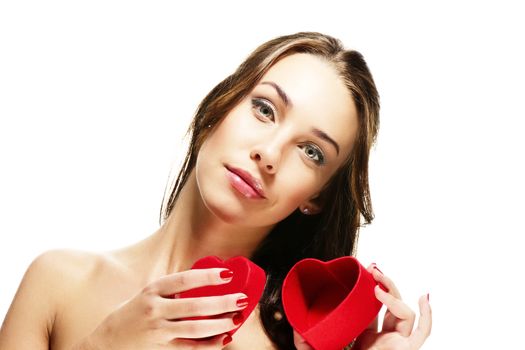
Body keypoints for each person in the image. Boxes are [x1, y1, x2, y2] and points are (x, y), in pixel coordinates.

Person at [0, 32, 432, 349]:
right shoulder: (58, 284)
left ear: (315, 197)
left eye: (311, 151)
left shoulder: (291, 345)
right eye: (264, 109)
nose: (269, 153)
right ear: (219, 106)